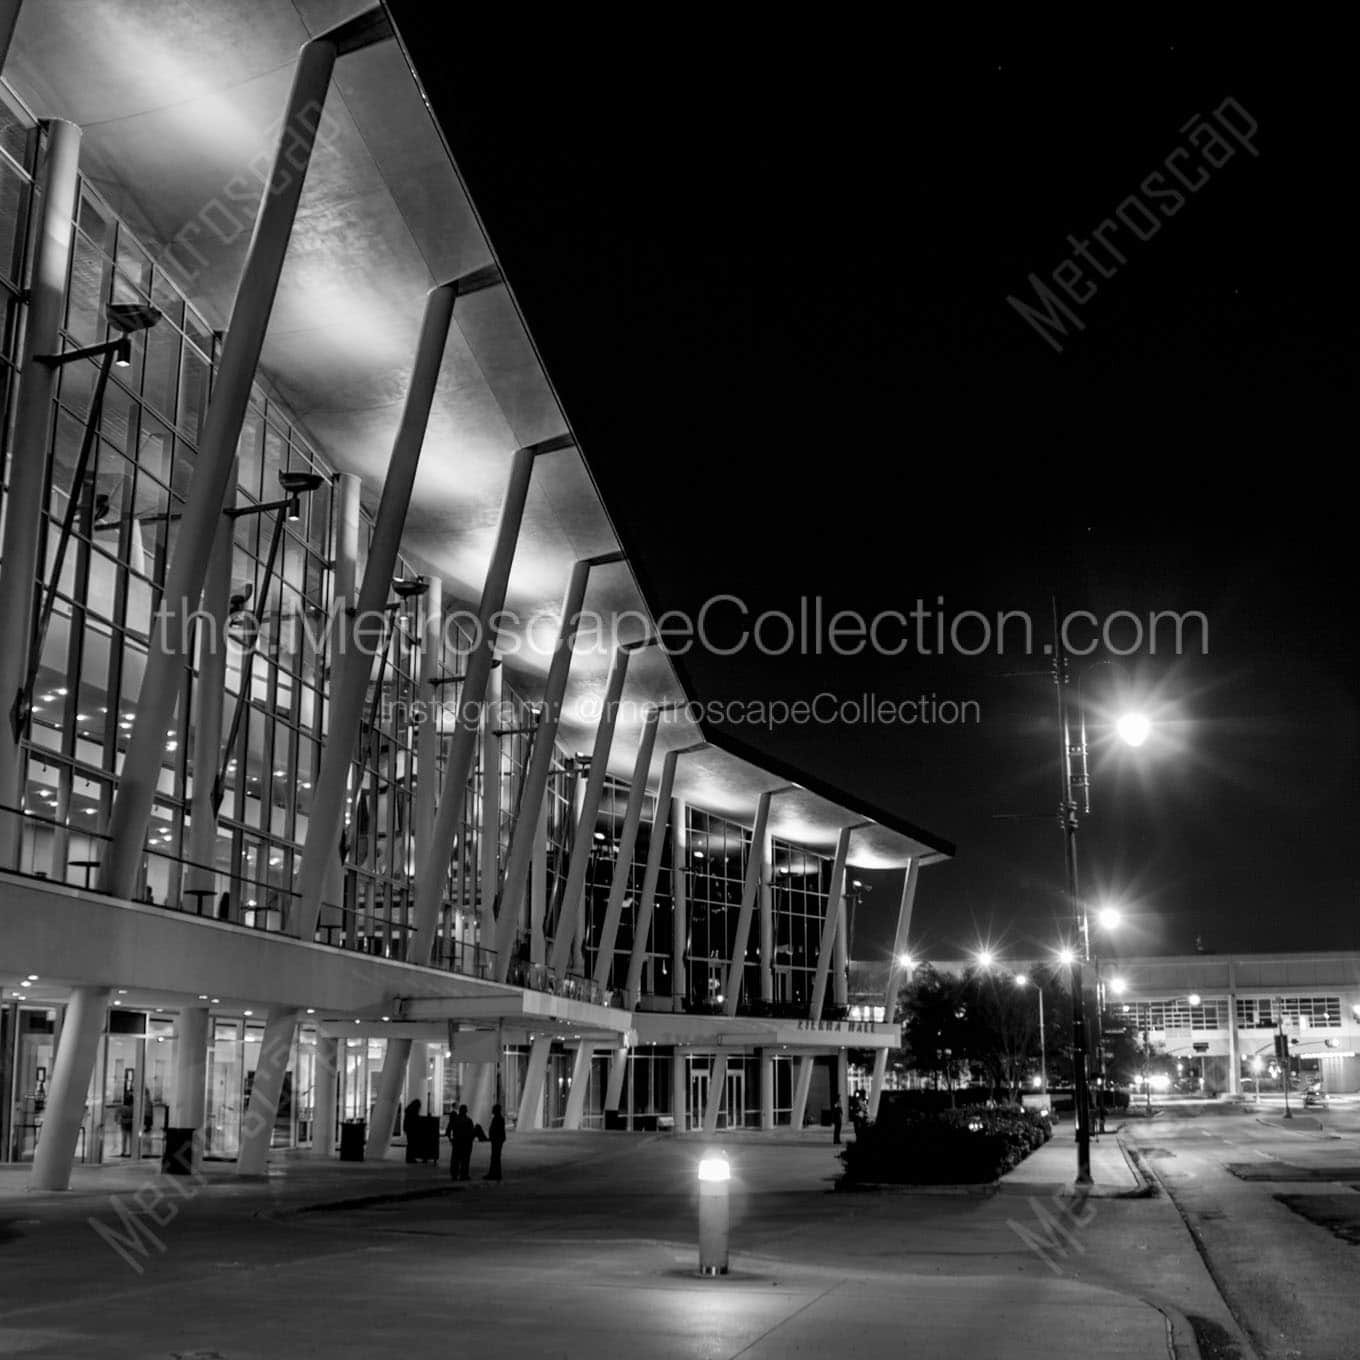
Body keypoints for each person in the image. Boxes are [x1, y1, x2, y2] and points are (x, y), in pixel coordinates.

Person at [446, 1103, 474, 1181]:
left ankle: (454, 1174)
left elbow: (448, 1130)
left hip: (457, 1142)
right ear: (466, 1111)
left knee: (455, 1159)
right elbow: (471, 1132)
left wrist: (450, 1139)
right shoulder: (468, 1120)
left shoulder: (455, 1120)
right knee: (465, 1159)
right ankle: (464, 1175)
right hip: (465, 1143)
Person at [485, 1104, 506, 1181]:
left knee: (495, 1157)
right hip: (497, 1140)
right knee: (495, 1157)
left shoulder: (498, 1119)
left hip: (497, 1140)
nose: (492, 1110)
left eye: (493, 1109)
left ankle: (495, 1174)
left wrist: (494, 1137)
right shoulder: (498, 1118)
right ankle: (494, 1173)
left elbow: (497, 1130)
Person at [402, 1098, 422, 1164]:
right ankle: (411, 1158)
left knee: (410, 1144)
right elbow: (415, 1120)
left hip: (408, 1129)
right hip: (412, 1129)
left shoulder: (408, 1110)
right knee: (412, 1144)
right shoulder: (413, 1111)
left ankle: (409, 1158)